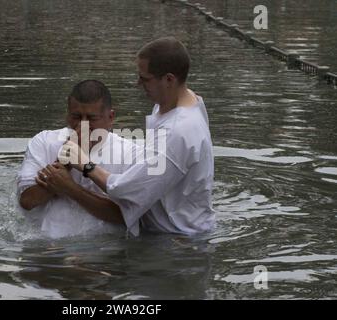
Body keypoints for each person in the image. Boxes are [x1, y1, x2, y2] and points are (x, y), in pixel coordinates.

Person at [42, 37, 215, 237]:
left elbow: (124, 190)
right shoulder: (181, 101)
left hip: (178, 238)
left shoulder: (179, 131)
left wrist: (83, 163)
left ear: (169, 79)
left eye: (145, 78)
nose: (137, 83)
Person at [17, 80, 137, 237]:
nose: (83, 125)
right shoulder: (44, 141)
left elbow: (128, 215)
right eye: (76, 117)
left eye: (92, 118)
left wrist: (70, 188)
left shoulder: (128, 152)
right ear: (67, 114)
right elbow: (27, 201)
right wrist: (66, 160)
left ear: (110, 117)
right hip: (45, 246)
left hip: (100, 249)